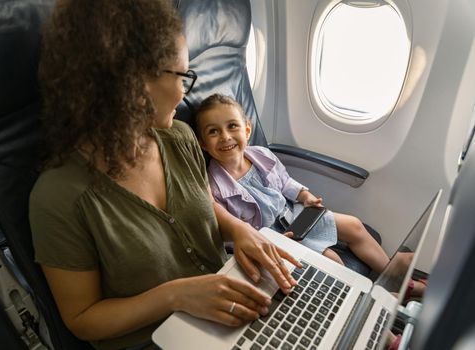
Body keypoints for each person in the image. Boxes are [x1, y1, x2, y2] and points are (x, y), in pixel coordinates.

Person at [29, 1, 300, 349]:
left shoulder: (180, 138)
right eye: (182, 76)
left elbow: (201, 204)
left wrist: (241, 229)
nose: (186, 91)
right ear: (131, 83)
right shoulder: (59, 197)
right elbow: (82, 318)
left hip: (225, 306)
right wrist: (176, 296)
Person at [195, 93, 391, 274]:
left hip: (292, 214)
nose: (225, 136)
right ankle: (364, 298)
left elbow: (285, 182)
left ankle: (393, 277)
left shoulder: (263, 155)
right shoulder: (214, 188)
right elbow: (230, 236)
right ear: (203, 144)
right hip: (273, 238)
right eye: (213, 132)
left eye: (232, 126)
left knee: (354, 226)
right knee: (333, 261)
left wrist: (305, 196)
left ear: (247, 130)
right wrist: (265, 244)